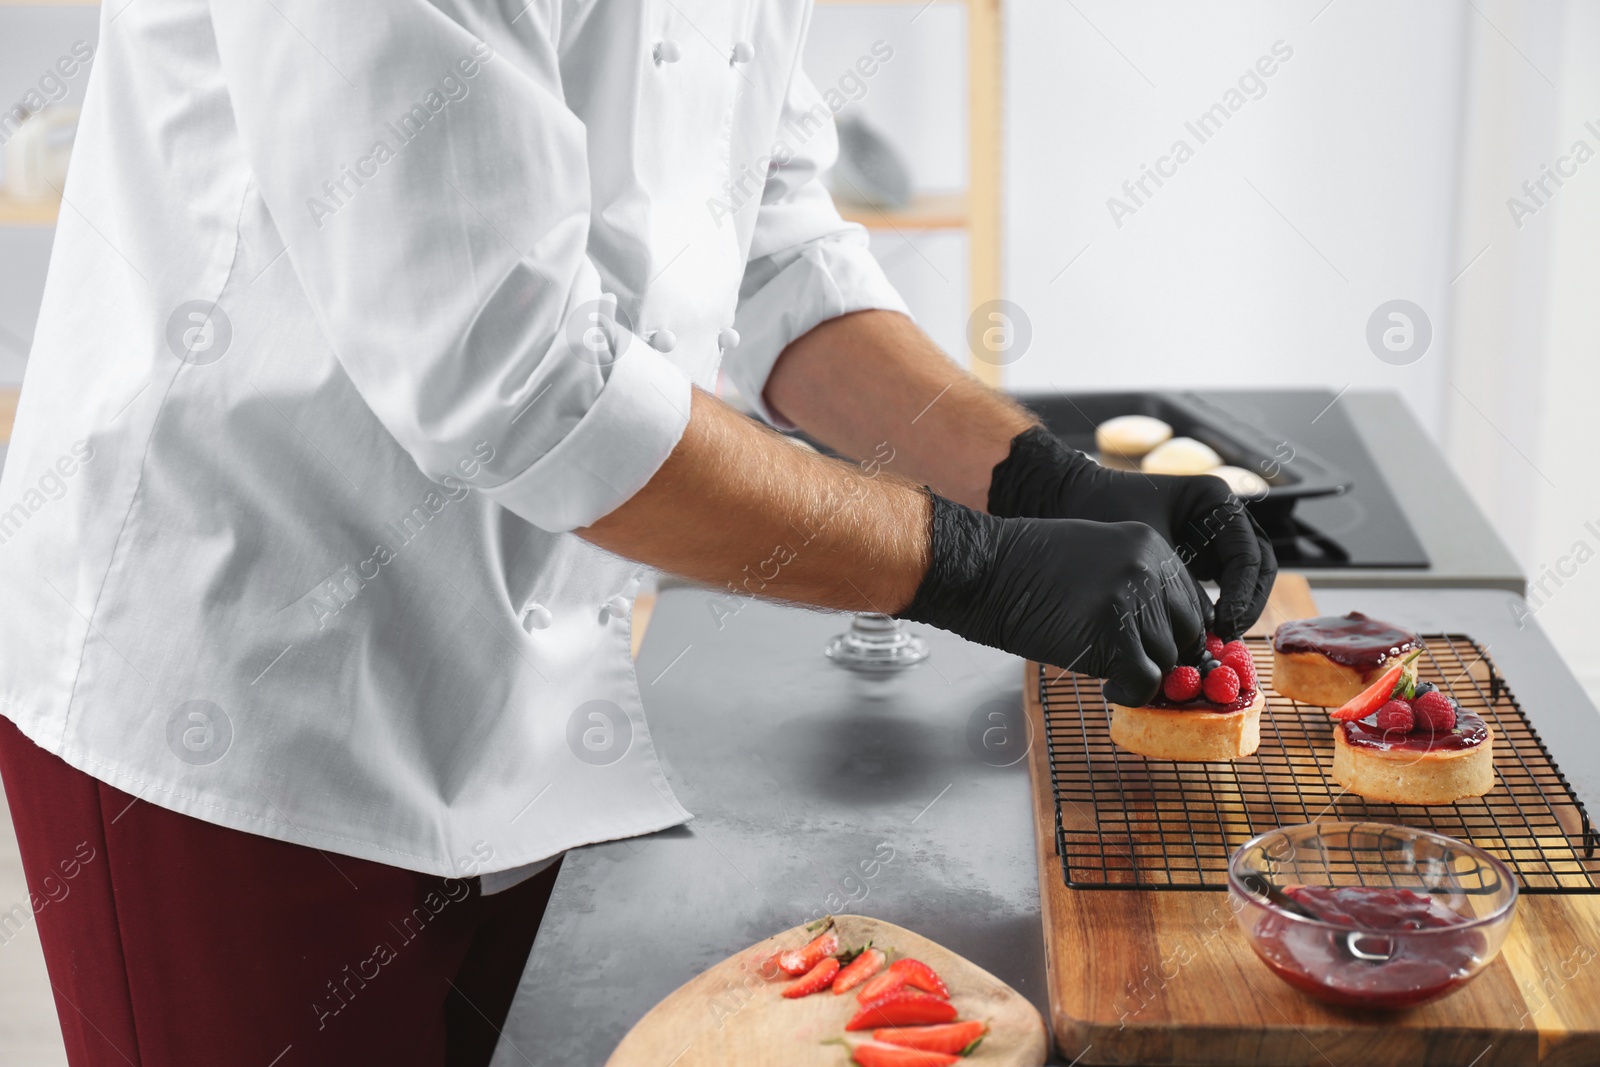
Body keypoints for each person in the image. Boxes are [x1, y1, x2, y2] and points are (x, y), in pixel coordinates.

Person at [0, 3, 1275, 1065]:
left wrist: (1031, 477)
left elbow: (766, 240)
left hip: (532, 674)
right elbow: (506, 370)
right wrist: (967, 563)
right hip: (241, 682)